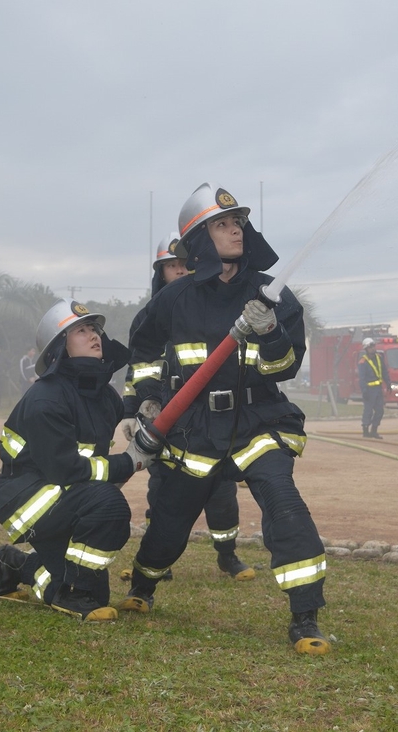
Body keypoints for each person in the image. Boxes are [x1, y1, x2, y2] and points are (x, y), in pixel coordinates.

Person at [119, 182, 330, 655]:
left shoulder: (272, 295)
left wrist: (271, 331)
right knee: (171, 517)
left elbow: (286, 367)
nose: (236, 229)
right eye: (222, 224)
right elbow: (144, 351)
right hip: (193, 427)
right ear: (199, 240)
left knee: (284, 504)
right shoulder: (175, 300)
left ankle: (305, 617)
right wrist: (148, 399)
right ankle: (144, 586)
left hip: (260, 421)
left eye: (238, 222)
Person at [0, 299, 154, 622]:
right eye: (81, 330)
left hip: (67, 494)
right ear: (58, 348)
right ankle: (72, 593)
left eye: (94, 328)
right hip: (27, 497)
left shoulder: (107, 399)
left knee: (100, 594)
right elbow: (65, 468)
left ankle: (13, 564)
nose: (94, 335)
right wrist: (130, 461)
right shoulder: (45, 399)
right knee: (110, 506)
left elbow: (92, 463)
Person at [122, 233, 255, 582]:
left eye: (183, 264)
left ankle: (227, 555)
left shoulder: (207, 309)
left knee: (221, 489)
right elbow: (139, 366)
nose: (179, 271)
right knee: (161, 489)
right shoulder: (154, 313)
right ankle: (156, 562)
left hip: (208, 419)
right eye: (170, 267)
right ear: (160, 273)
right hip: (163, 418)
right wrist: (132, 407)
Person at [359, 337, 391, 439]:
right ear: (366, 349)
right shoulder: (363, 362)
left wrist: (389, 383)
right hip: (369, 390)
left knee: (379, 411)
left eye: (373, 346)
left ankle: (374, 431)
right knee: (368, 411)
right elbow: (362, 378)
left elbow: (385, 372)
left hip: (378, 389)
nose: (373, 348)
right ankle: (365, 431)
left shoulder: (379, 358)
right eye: (370, 347)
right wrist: (364, 391)